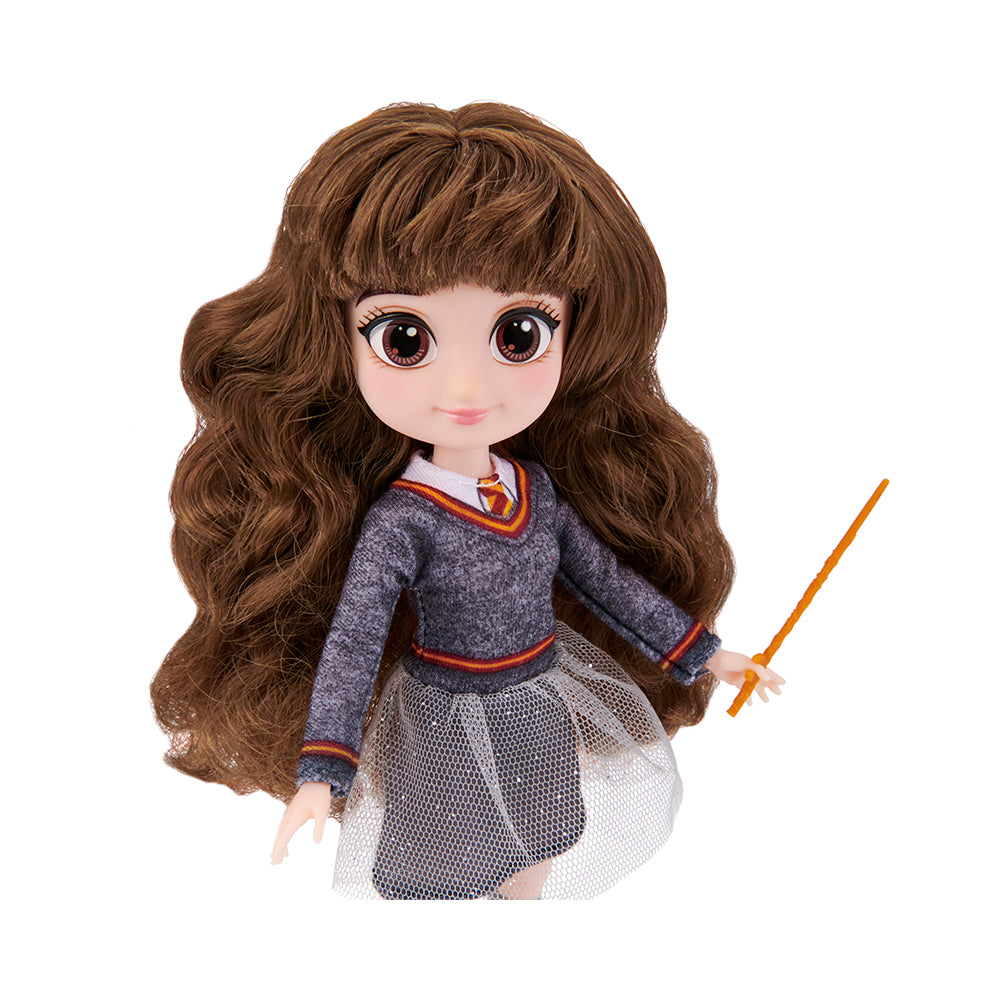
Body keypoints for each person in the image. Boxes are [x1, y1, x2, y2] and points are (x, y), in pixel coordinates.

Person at [153, 102, 782, 900]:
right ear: (339, 341)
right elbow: (354, 641)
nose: (465, 387)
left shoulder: (533, 490)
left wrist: (705, 655)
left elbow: (606, 583)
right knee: (445, 875)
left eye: (518, 335)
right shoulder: (404, 520)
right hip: (445, 720)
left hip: (539, 703)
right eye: (404, 340)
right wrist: (323, 770)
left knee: (539, 843)